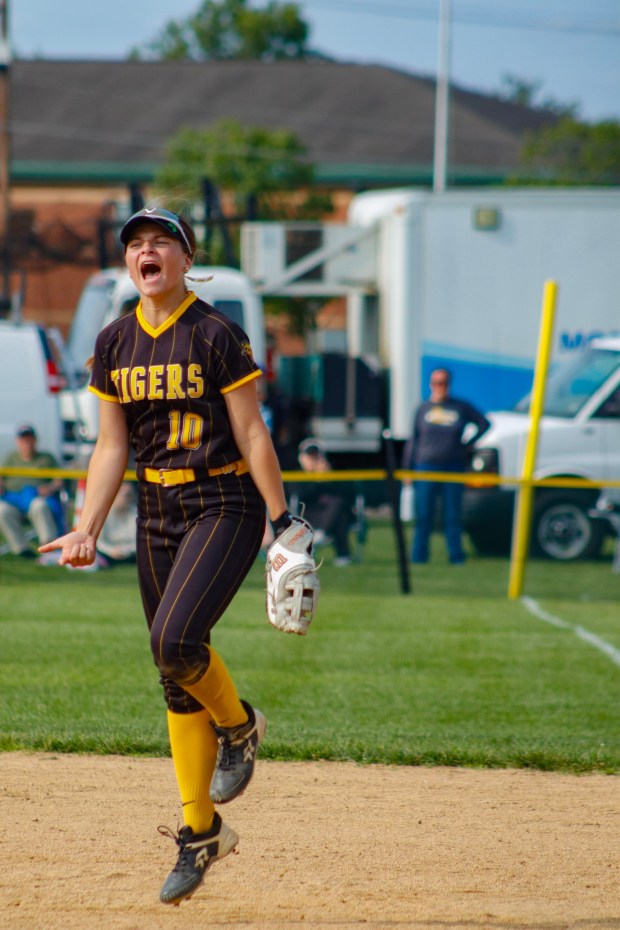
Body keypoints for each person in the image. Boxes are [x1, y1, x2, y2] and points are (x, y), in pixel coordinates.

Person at [40, 205, 296, 906]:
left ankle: (240, 726)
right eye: (136, 245)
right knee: (173, 672)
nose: (145, 252)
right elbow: (112, 445)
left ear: (186, 258)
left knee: (176, 639)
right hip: (155, 509)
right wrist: (87, 524)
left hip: (224, 500)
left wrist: (281, 519)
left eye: (160, 242)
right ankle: (202, 831)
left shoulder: (216, 332)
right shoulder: (114, 340)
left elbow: (251, 431)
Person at [403, 368, 490, 564]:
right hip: (425, 466)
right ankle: (419, 556)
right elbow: (413, 439)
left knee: (452, 515)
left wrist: (467, 446)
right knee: (424, 514)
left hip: (453, 466)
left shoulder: (460, 407)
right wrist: (407, 468)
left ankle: (456, 556)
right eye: (436, 383)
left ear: (449, 384)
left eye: (443, 383)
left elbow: (484, 424)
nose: (439, 387)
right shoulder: (423, 408)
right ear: (430, 384)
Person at [0, 424, 64, 557]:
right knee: (2, 510)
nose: (27, 443)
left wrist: (50, 488)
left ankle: (48, 546)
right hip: (14, 501)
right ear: (18, 441)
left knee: (39, 505)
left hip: (37, 498)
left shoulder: (47, 458)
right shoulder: (10, 458)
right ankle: (21, 549)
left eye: (30, 439)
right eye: (24, 440)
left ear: (35, 440)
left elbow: (59, 480)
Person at [295, 438, 354, 566]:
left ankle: (321, 533)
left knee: (338, 507)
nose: (314, 460)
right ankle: (343, 553)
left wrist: (326, 477)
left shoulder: (332, 474)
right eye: (310, 457)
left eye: (316, 456)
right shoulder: (296, 475)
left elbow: (345, 495)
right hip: (309, 515)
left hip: (331, 513)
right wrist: (316, 478)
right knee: (339, 512)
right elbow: (301, 496)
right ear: (302, 458)